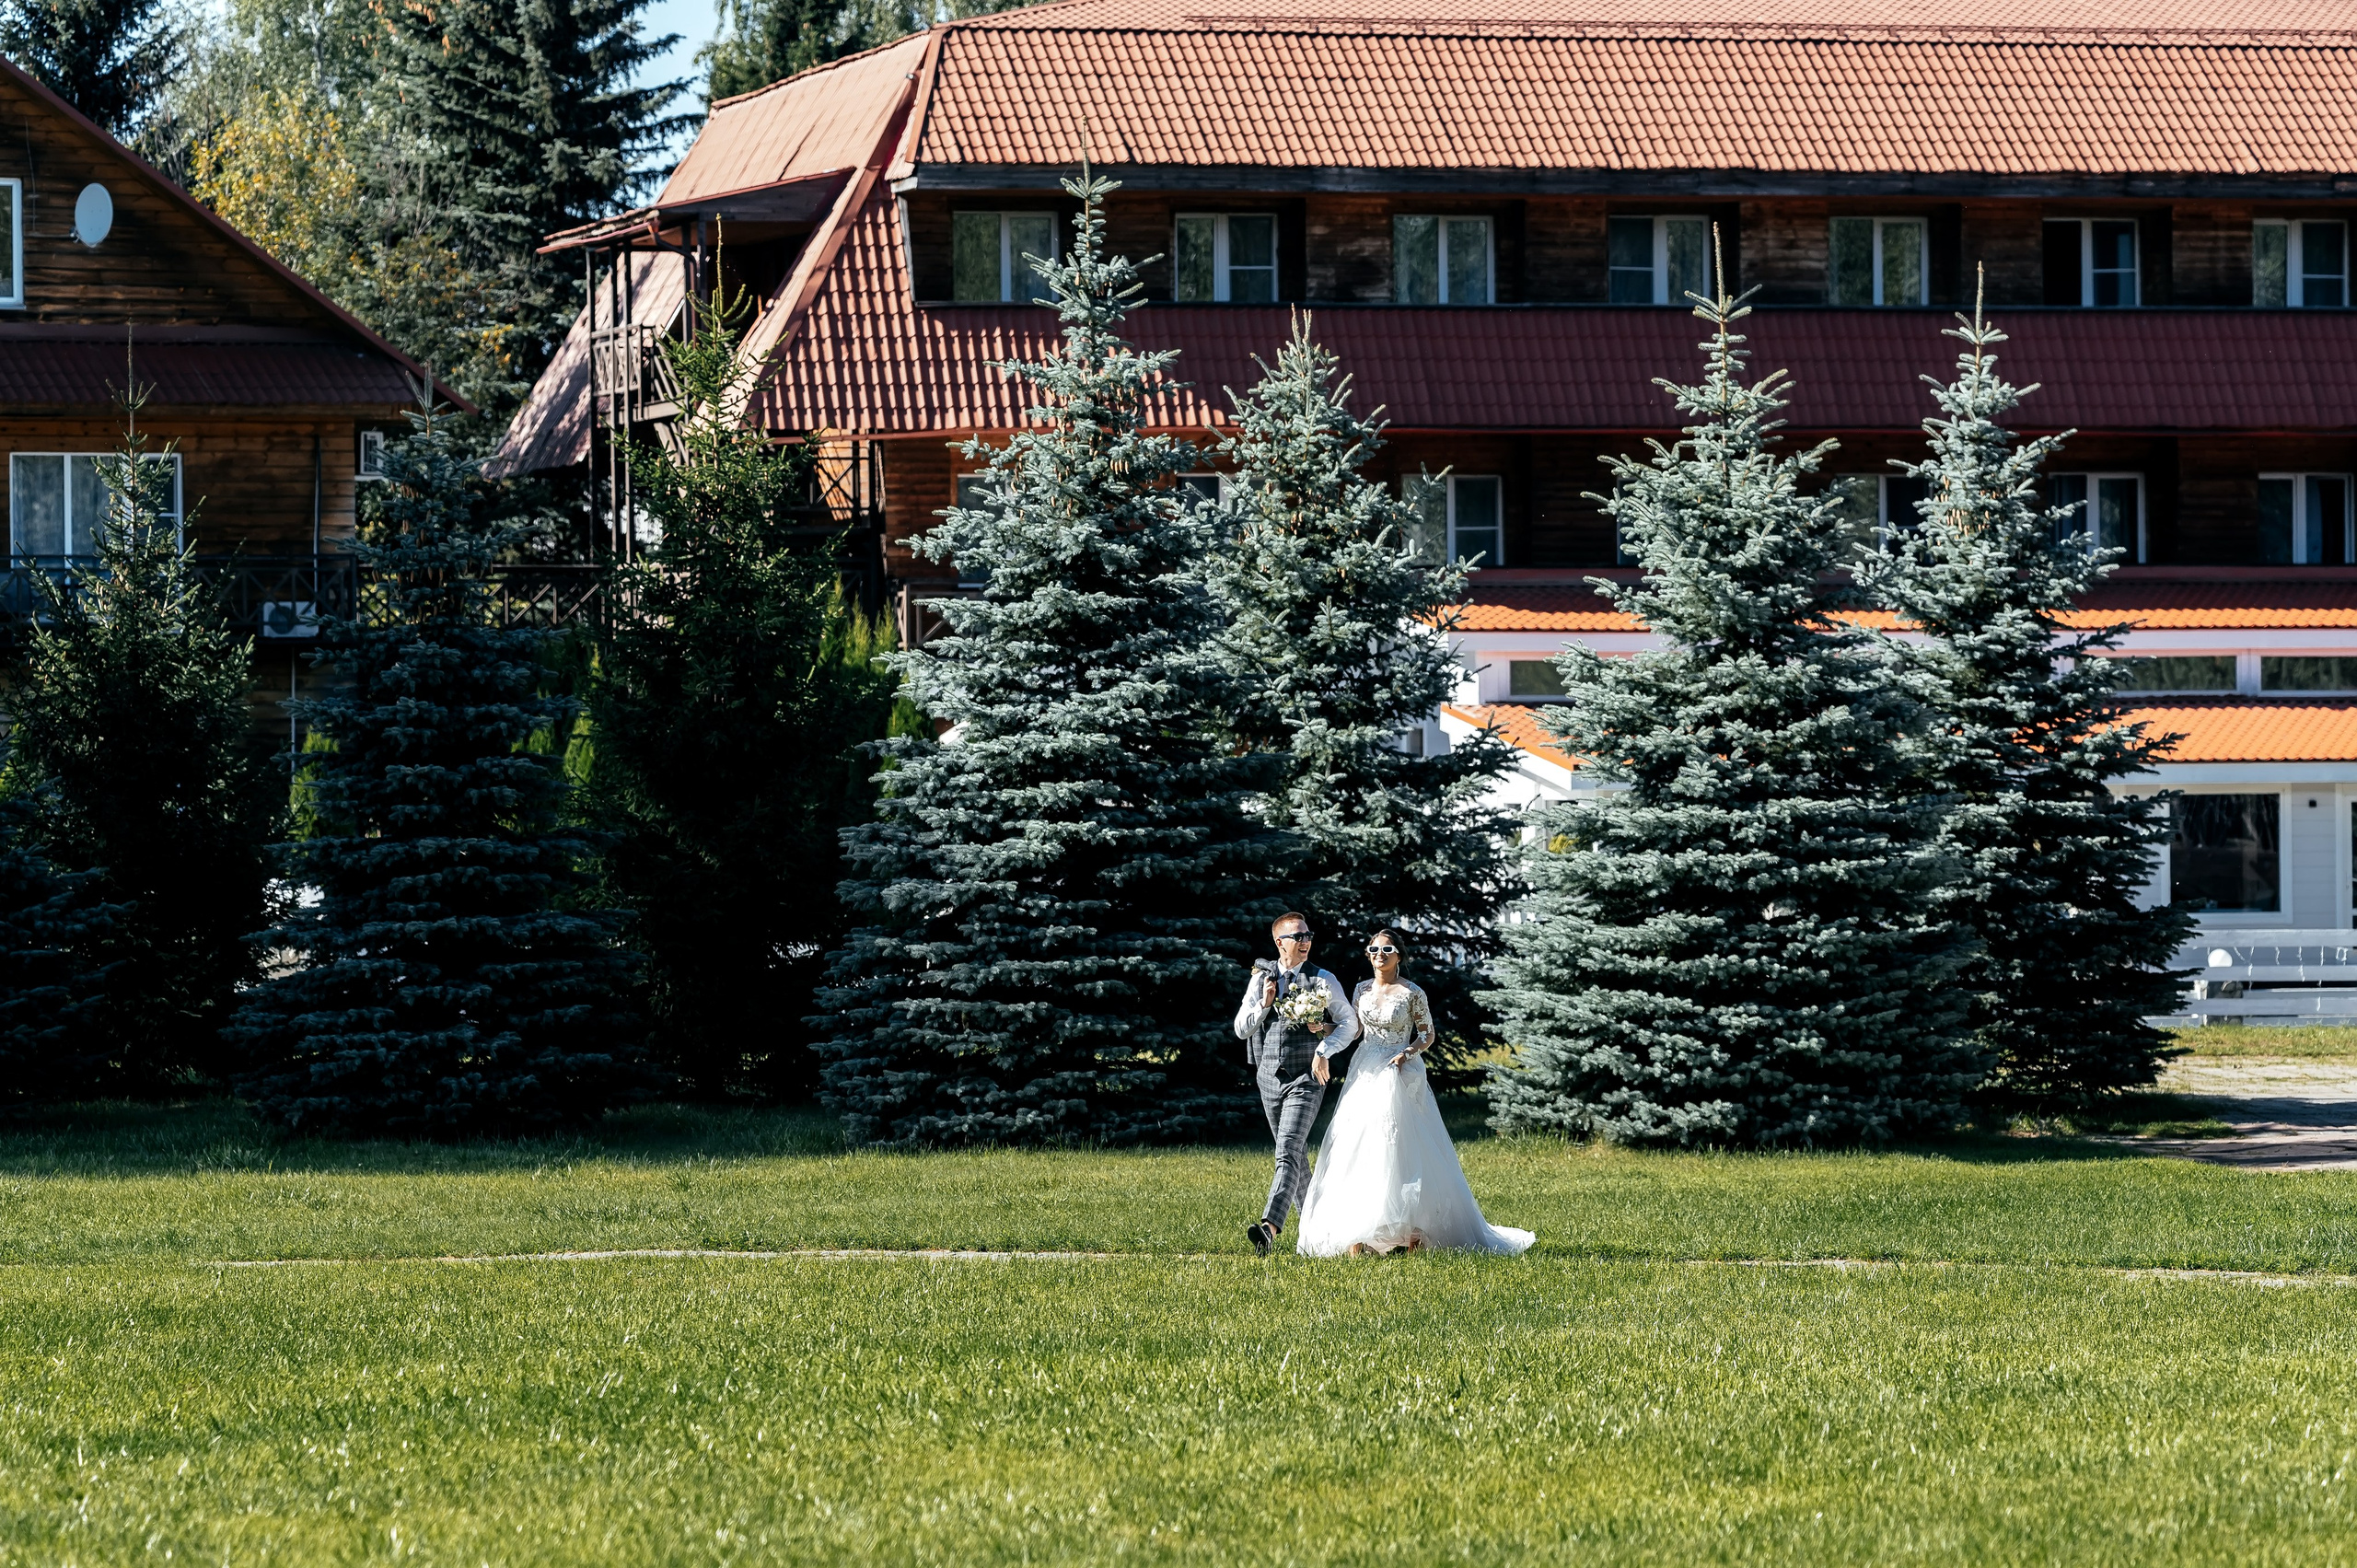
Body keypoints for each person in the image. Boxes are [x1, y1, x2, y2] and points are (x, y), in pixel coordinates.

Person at [1295, 929, 1535, 1257]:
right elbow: (1356, 1031)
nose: (1380, 954)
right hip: (1365, 1067)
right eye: (1374, 949)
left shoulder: (1412, 993)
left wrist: (1406, 1054)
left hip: (1398, 1070)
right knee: (1359, 1140)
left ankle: (1410, 1228)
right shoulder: (1361, 990)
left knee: (1398, 1142)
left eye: (1387, 949)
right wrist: (1322, 1027)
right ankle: (1367, 1228)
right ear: (1368, 955)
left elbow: (1427, 1034)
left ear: (1399, 955)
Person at [1234, 911, 1357, 1257]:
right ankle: (1317, 1235)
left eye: (1308, 936)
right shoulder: (1261, 979)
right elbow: (1241, 1028)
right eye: (1298, 937)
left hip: (1307, 1078)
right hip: (1268, 1078)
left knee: (1286, 1150)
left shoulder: (1323, 979)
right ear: (1279, 943)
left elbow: (1350, 1023)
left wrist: (1324, 1048)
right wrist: (1265, 1003)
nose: (1305, 942)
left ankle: (1269, 1229)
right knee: (1296, 1155)